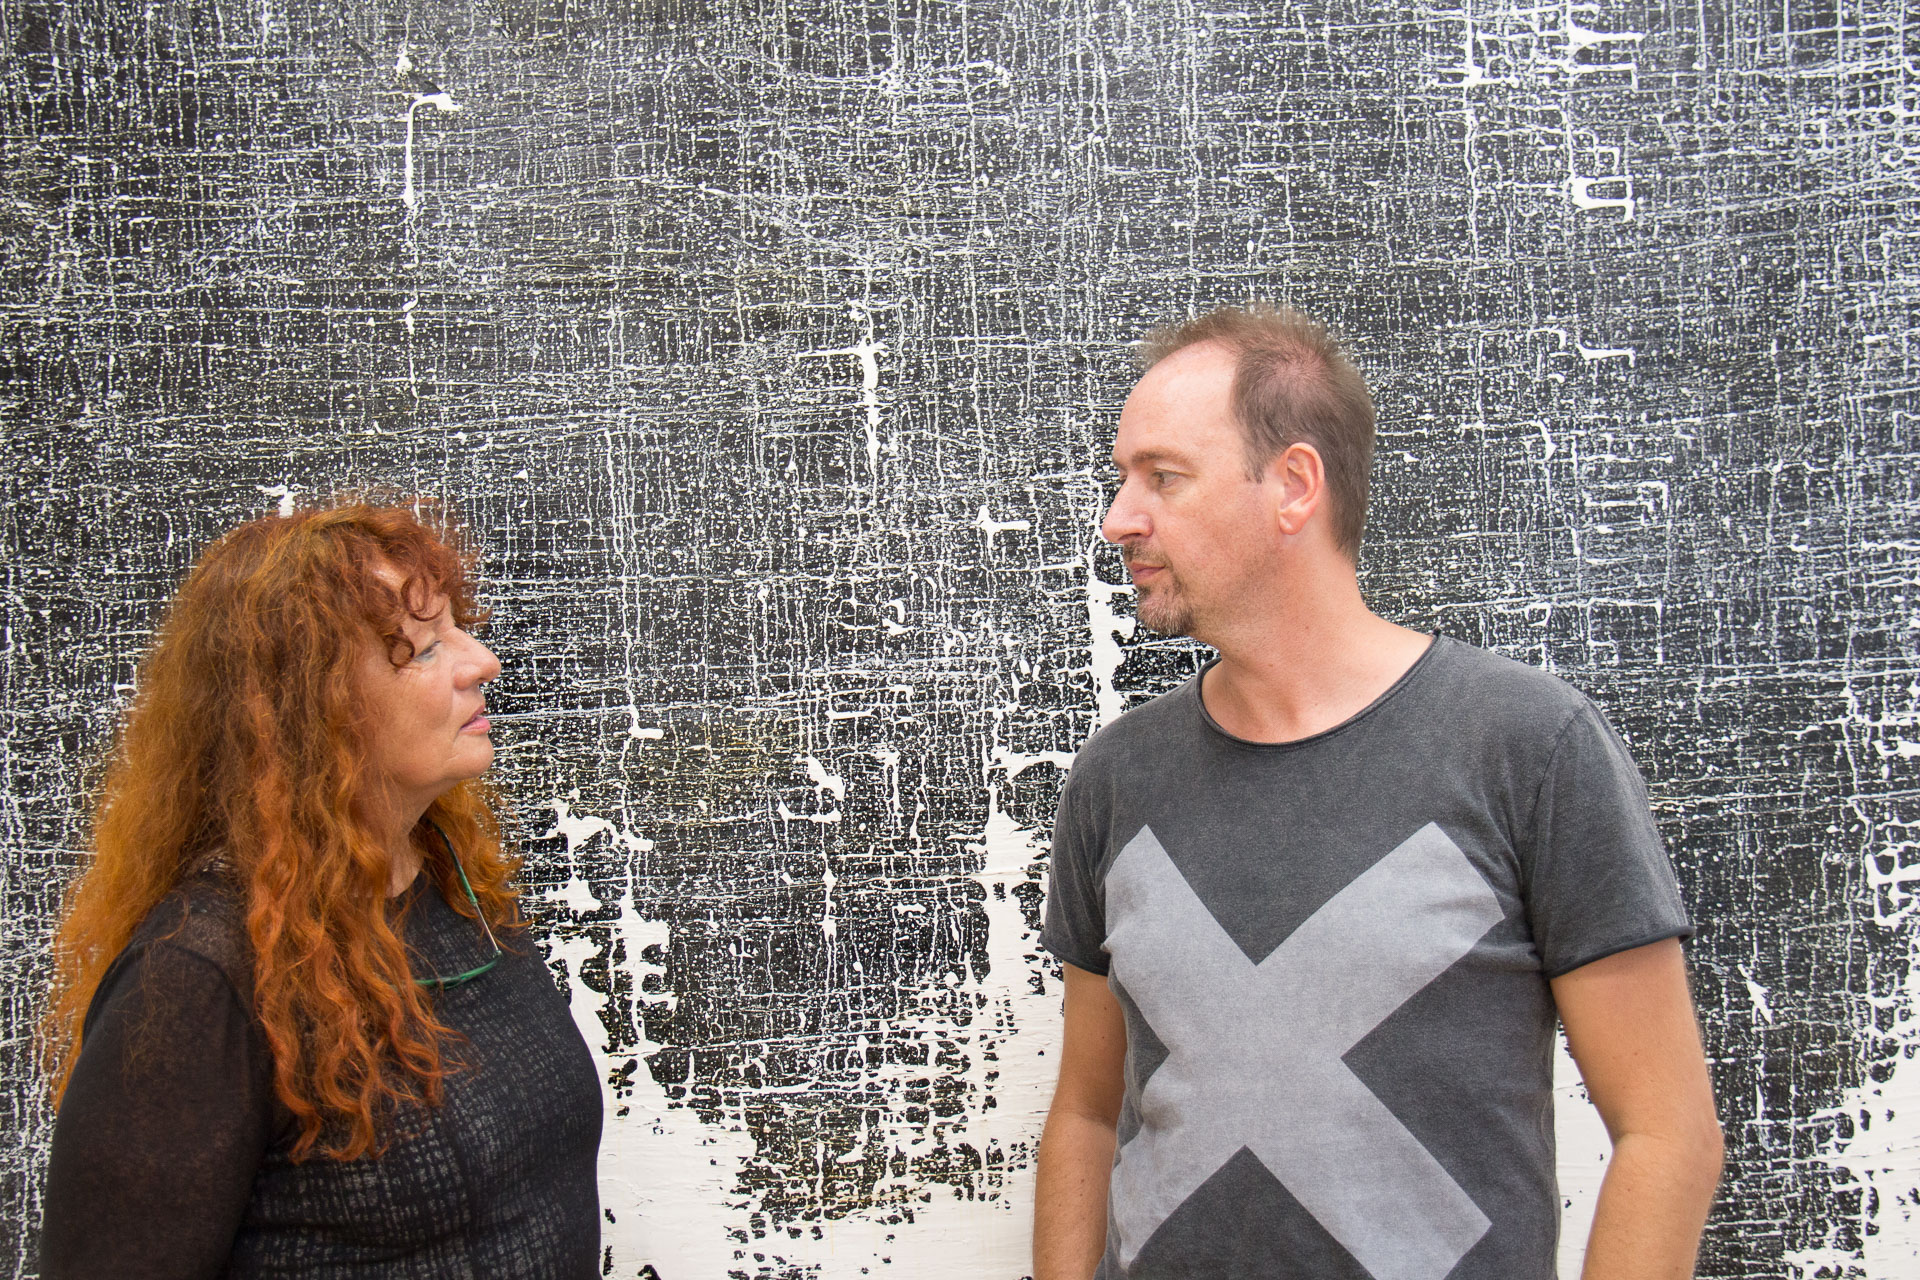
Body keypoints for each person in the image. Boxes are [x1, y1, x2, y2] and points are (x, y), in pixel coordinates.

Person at [1033, 306, 1724, 1280]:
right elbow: (1085, 1110)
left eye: (1163, 476)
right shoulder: (1116, 778)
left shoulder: (1529, 748)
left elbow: (1667, 1132)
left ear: (1294, 485)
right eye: (1122, 477)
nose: (1119, 517)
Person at [40, 501, 602, 1278]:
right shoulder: (198, 976)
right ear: (316, 708)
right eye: (424, 648)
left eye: (457, 629)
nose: (482, 662)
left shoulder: (453, 884)